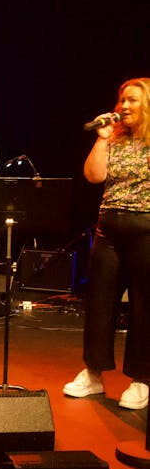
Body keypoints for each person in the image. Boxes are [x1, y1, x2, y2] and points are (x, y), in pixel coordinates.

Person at [63, 77, 150, 410]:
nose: (124, 106)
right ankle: (93, 374)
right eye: (122, 100)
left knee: (144, 305)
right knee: (100, 303)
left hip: (145, 228)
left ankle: (141, 379)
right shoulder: (114, 138)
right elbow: (94, 176)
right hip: (109, 228)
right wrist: (101, 140)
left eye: (133, 101)